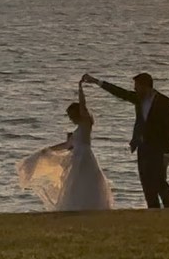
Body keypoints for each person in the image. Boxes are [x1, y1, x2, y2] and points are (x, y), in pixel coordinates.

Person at [82, 72, 169, 208]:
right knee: (146, 181)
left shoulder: (164, 102)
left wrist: (168, 153)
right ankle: (153, 209)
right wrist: (96, 81)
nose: (135, 90)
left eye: (137, 87)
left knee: (159, 181)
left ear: (146, 87)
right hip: (142, 146)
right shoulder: (138, 99)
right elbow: (120, 93)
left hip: (158, 148)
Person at [17, 78, 113, 211]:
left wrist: (80, 88)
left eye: (71, 115)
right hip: (76, 159)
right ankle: (77, 207)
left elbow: (83, 105)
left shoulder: (86, 124)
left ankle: (90, 206)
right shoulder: (77, 131)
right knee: (75, 184)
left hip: (85, 158)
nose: (70, 118)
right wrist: (49, 149)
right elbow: (67, 145)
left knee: (87, 182)